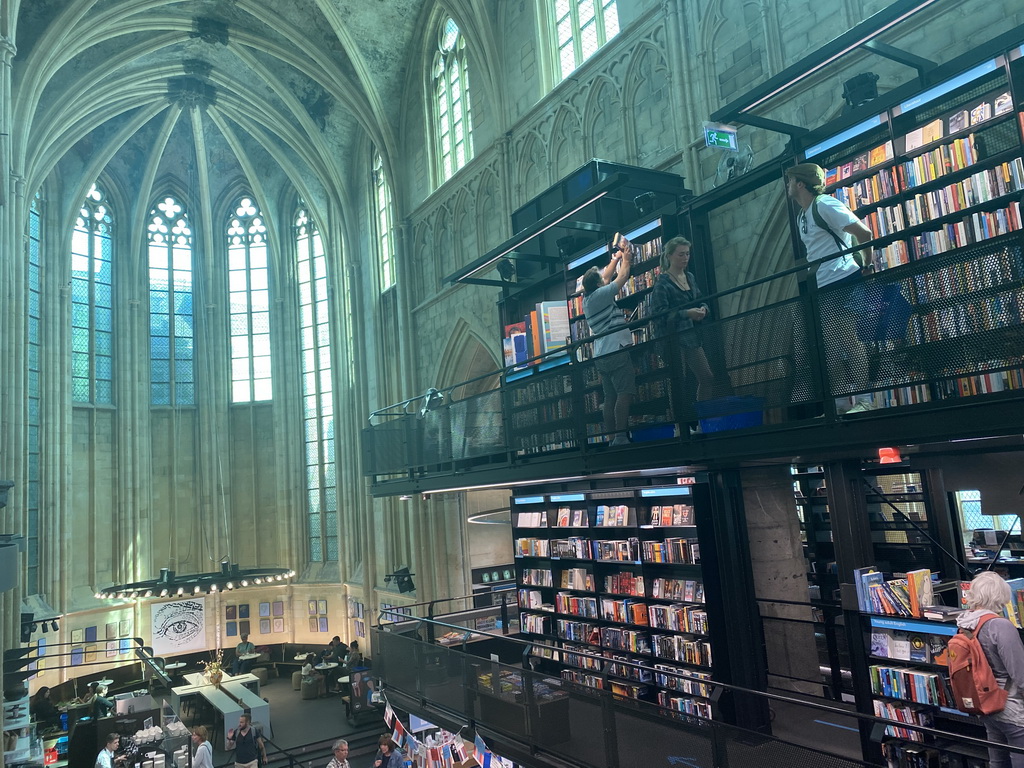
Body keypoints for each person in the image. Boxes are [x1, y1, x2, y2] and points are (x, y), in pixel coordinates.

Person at [785, 162, 876, 414]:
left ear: (801, 183)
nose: (788, 186)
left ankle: (865, 401)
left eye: (791, 181)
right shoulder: (804, 214)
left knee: (848, 340)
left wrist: (866, 265)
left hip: (842, 279)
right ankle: (839, 403)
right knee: (830, 346)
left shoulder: (825, 205)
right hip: (823, 285)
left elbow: (864, 233)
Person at [649, 236, 716, 432]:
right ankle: (680, 427)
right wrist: (687, 313)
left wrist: (703, 309)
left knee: (707, 376)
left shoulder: (690, 277)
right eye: (681, 254)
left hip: (691, 336)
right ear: (669, 256)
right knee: (679, 381)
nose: (685, 258)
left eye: (687, 254)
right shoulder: (662, 284)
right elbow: (659, 315)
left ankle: (702, 421)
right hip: (672, 338)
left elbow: (701, 299)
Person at [958, 571, 1024, 767]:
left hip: (985, 704)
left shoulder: (965, 623)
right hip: (1010, 706)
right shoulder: (1000, 626)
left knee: (997, 761)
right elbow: (1020, 674)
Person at [581, 236, 635, 446]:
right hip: (615, 350)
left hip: (601, 354)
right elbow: (621, 278)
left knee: (609, 397)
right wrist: (627, 259)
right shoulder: (601, 295)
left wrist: (615, 258)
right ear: (597, 285)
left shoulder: (588, 299)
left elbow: (605, 277)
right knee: (625, 392)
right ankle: (621, 436)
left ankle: (612, 437)